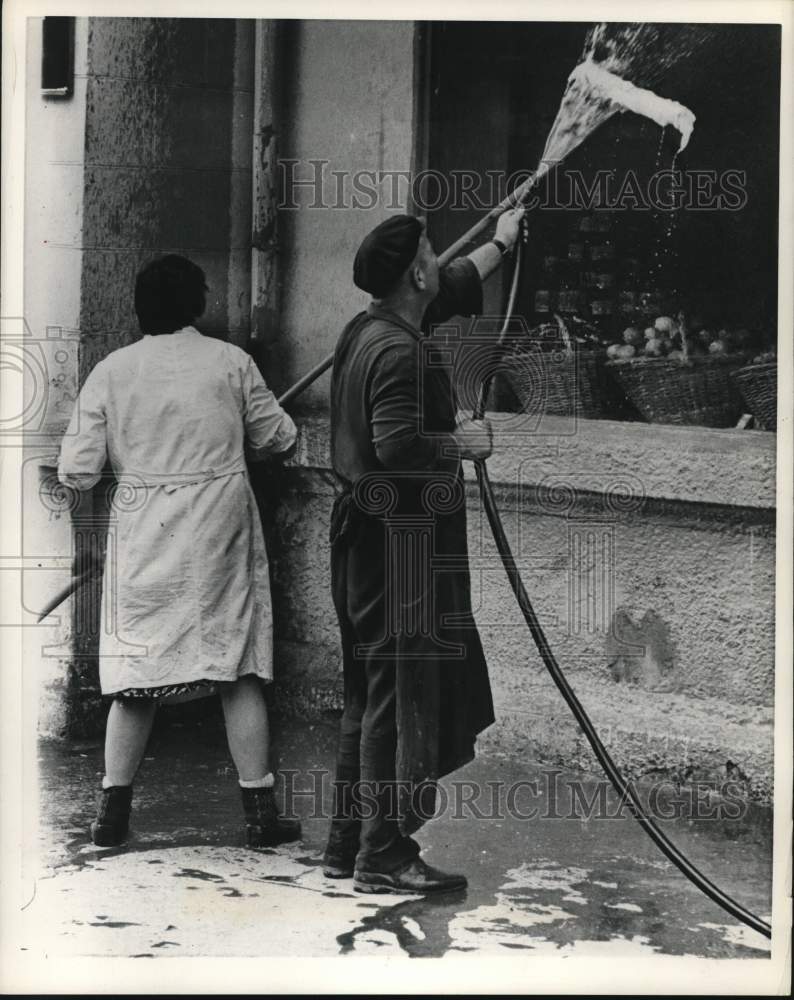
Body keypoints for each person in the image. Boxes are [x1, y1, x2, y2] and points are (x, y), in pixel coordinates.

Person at [58, 254, 301, 849]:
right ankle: (260, 815)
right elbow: (281, 438)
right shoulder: (230, 362)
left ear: (139, 308)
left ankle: (111, 814)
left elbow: (78, 471)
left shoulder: (112, 372)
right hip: (220, 527)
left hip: (146, 530)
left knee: (136, 678)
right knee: (237, 668)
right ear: (198, 305)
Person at [323, 207, 525, 893]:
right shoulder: (402, 351)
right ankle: (381, 852)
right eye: (432, 253)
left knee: (368, 690)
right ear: (414, 270)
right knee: (394, 695)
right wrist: (460, 445)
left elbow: (454, 283)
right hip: (396, 547)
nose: (440, 260)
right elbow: (397, 446)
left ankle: (347, 838)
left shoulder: (371, 329)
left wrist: (502, 240)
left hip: (364, 544)